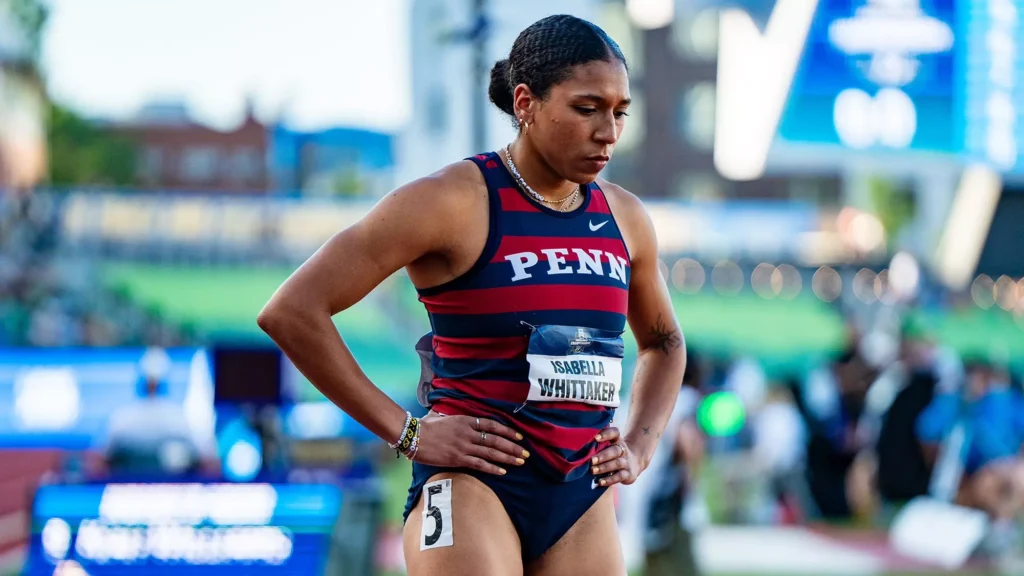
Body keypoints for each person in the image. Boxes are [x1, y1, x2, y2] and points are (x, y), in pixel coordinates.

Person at [257, 14, 686, 576]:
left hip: (580, 494)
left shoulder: (625, 217)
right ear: (526, 103)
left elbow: (664, 340)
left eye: (619, 111)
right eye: (587, 108)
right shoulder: (451, 201)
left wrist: (640, 444)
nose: (608, 130)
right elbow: (291, 310)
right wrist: (407, 431)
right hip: (473, 484)